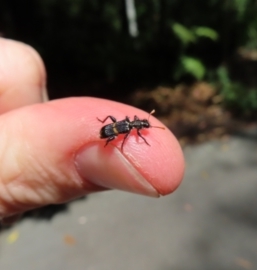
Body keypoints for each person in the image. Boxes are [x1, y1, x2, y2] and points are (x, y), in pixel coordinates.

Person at [0, 38, 185, 223]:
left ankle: (105, 135)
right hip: (108, 130)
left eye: (144, 126)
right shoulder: (129, 127)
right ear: (138, 125)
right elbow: (127, 132)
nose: (142, 127)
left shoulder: (130, 125)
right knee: (115, 133)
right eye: (143, 125)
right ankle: (104, 136)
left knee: (115, 132)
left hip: (109, 130)